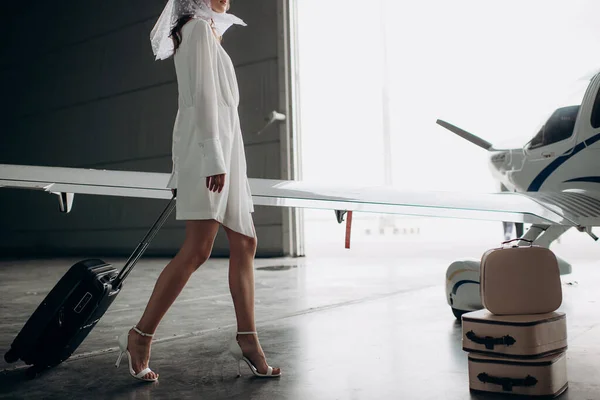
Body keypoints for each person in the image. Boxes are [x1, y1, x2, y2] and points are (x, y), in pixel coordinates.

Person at [114, 0, 281, 382]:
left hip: (225, 150)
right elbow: (202, 99)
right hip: (209, 153)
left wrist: (224, 156)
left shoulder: (207, 33)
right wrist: (213, 159)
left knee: (245, 243)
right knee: (198, 248)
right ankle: (140, 336)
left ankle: (247, 338)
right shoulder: (195, 32)